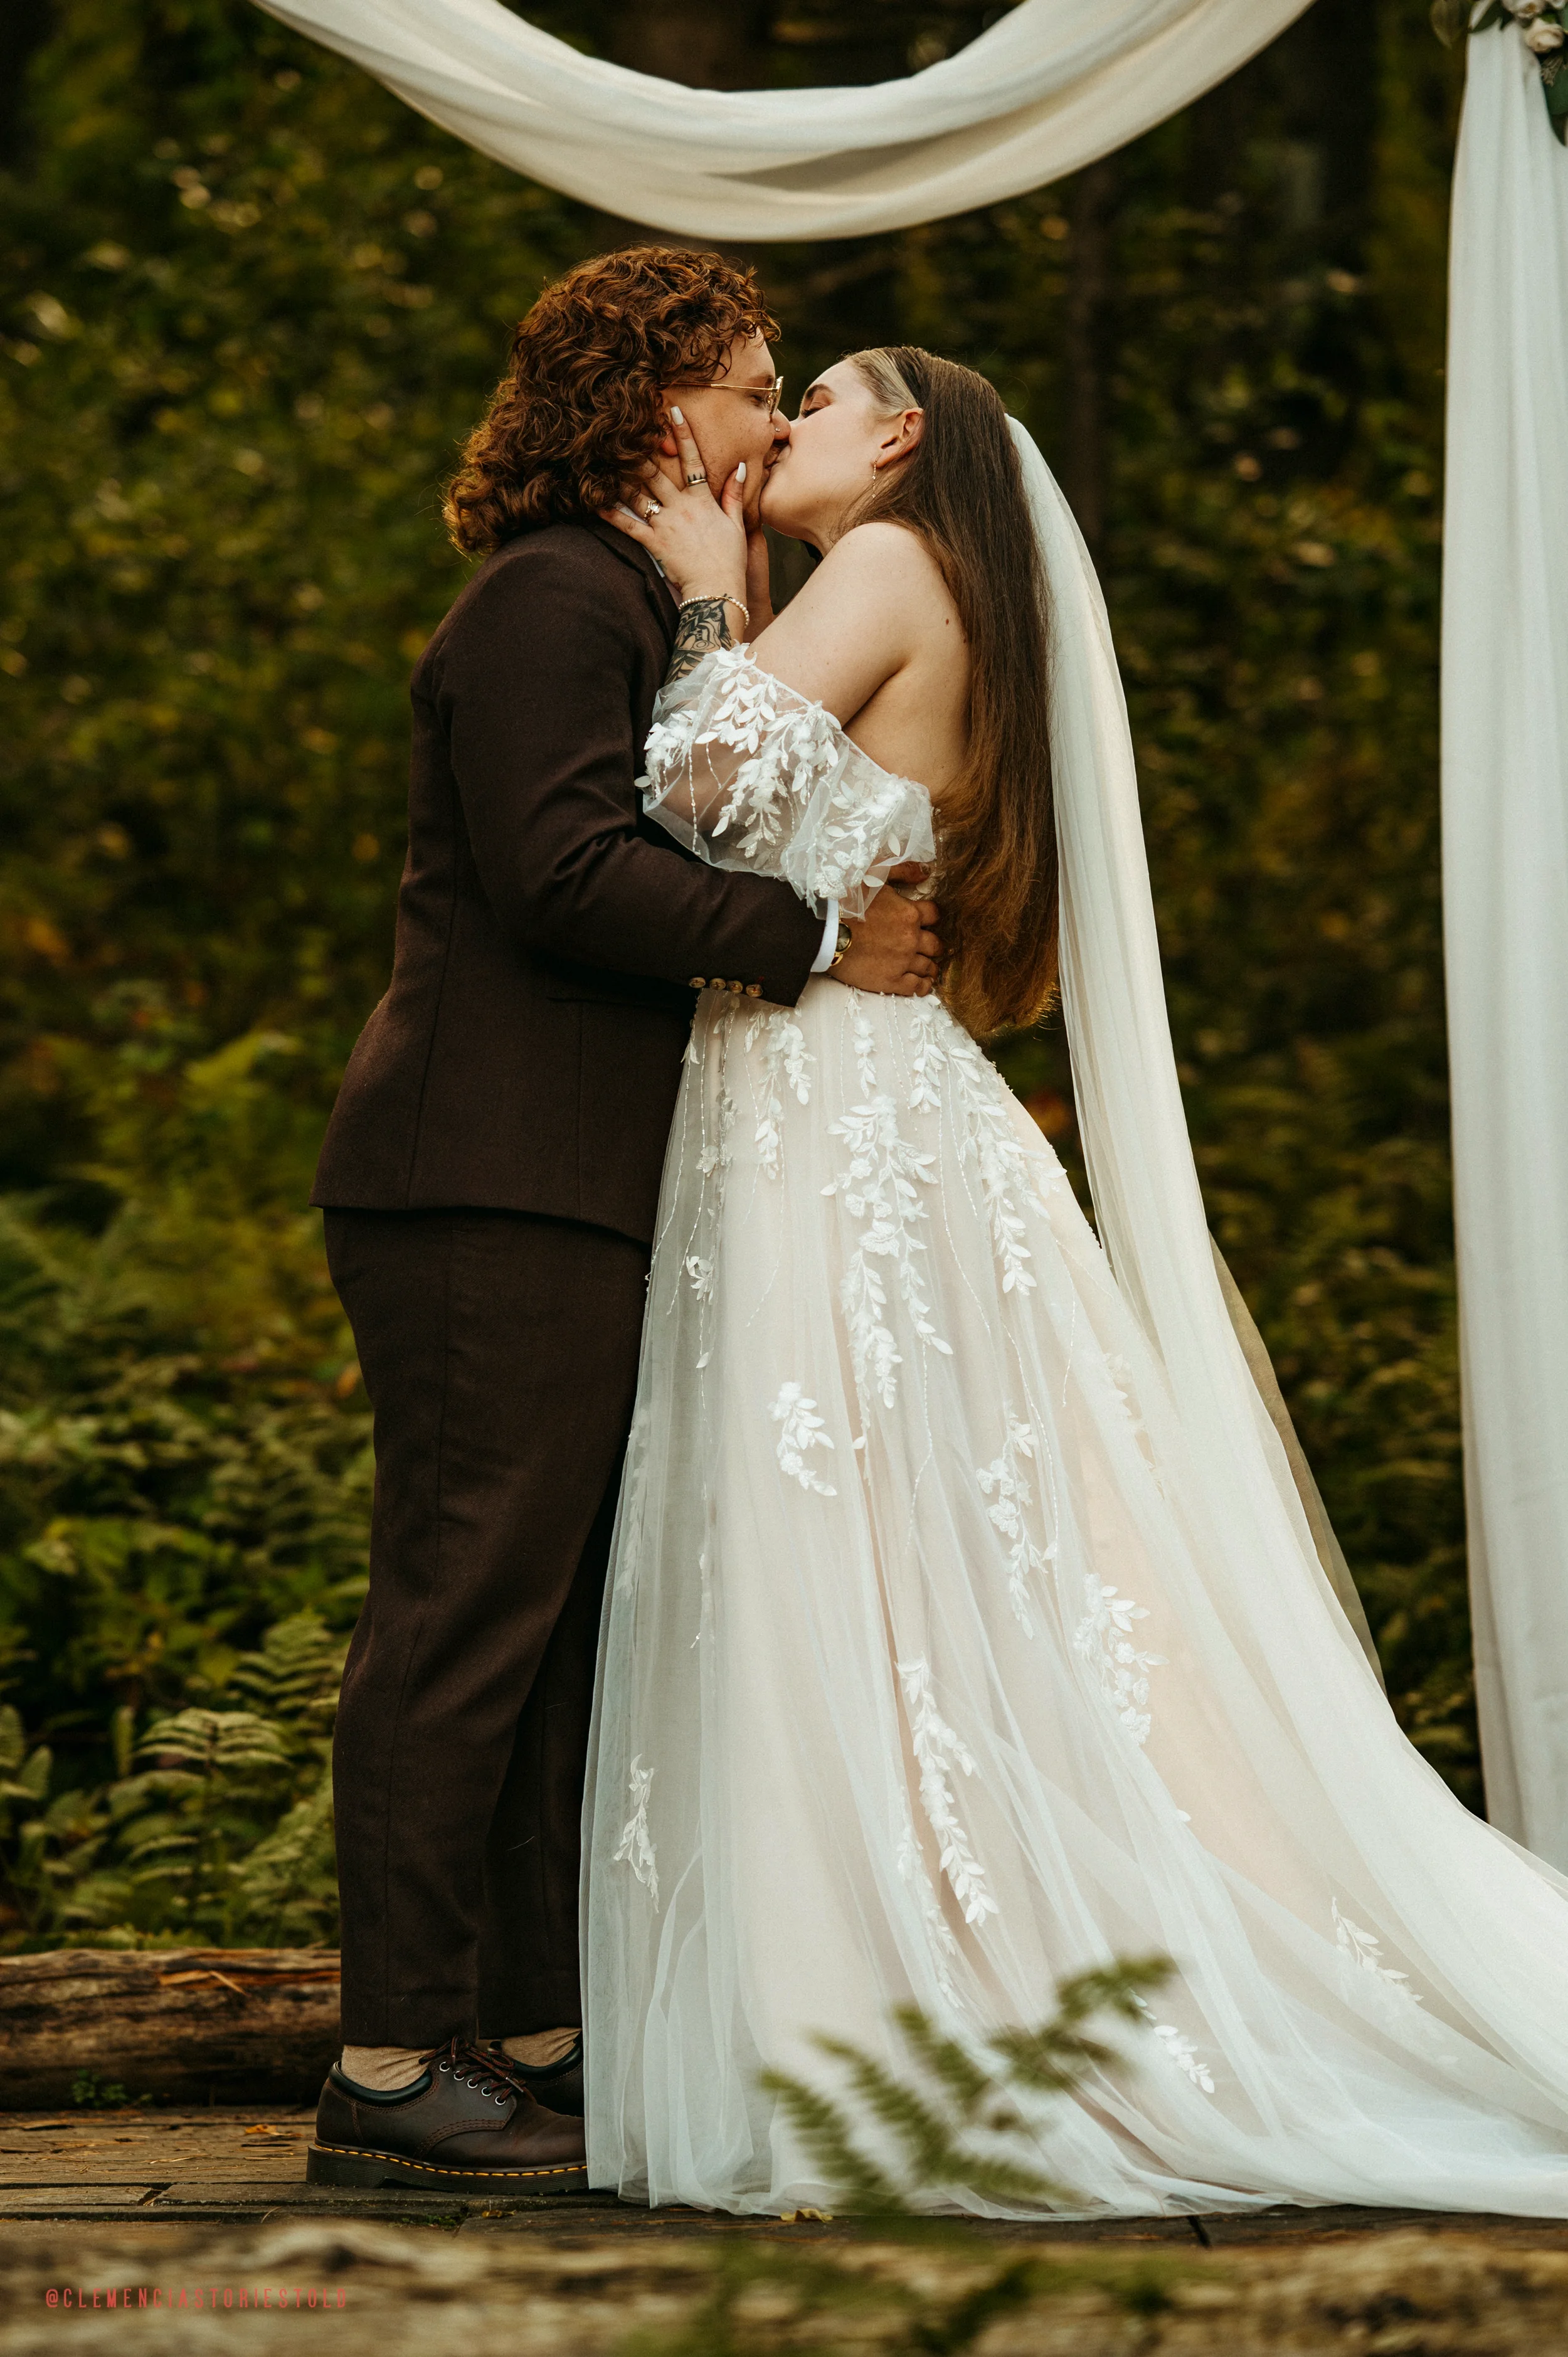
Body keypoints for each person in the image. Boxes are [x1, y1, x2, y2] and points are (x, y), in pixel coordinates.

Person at [583, 346, 1568, 2219]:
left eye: (822, 394)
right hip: (859, 1109)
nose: (777, 424)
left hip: (835, 1129)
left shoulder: (887, 562)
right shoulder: (919, 593)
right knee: (933, 1565)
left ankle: (878, 2005)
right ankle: (923, 1978)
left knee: (844, 1552)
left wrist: (701, 597)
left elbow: (695, 785)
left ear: (903, 439)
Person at [304, 252, 940, 2194]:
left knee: (559, 1615)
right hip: (479, 1172)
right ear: (662, 405)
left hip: (565, 1176)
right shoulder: (541, 602)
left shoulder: (627, 601)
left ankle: (536, 2027)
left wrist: (707, 619)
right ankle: (393, 2061)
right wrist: (818, 933)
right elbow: (567, 870)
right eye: (752, 386)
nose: (766, 420)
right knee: (463, 1604)